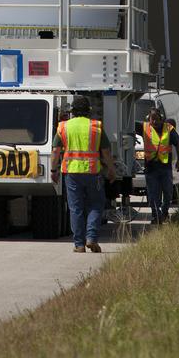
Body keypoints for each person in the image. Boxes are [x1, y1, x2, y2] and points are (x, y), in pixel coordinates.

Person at [50, 93, 116, 253]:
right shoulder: (96, 126)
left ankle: (79, 244)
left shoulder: (64, 127)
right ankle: (91, 238)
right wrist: (112, 170)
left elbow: (55, 151)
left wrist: (53, 170)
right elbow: (106, 152)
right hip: (93, 172)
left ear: (72, 111)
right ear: (89, 111)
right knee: (96, 205)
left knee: (75, 208)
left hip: (71, 173)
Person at [142, 103, 179, 225]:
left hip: (165, 168)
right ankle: (156, 216)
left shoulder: (169, 129)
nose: (154, 121)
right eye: (152, 119)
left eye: (156, 119)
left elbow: (178, 144)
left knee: (168, 193)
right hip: (151, 169)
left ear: (161, 119)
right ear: (148, 119)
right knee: (153, 194)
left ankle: (164, 213)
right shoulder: (145, 128)